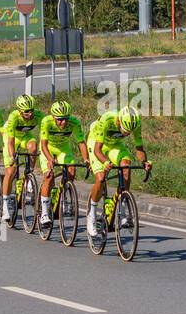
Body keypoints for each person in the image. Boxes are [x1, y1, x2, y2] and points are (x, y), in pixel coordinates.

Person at [85, 106, 151, 236]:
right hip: (97, 143)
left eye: (129, 132)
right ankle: (91, 214)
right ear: (119, 121)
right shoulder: (107, 119)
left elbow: (139, 148)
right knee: (101, 177)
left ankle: (123, 207)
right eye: (125, 131)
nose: (127, 134)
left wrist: (144, 163)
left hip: (115, 145)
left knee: (126, 166)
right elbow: (98, 150)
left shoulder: (135, 123)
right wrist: (105, 162)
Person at [37, 101, 88, 227]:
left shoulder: (74, 122)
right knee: (48, 177)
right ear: (54, 117)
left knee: (71, 171)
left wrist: (86, 159)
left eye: (66, 119)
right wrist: (49, 159)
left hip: (63, 149)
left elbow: (81, 142)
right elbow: (43, 145)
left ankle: (62, 198)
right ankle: (44, 212)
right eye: (60, 120)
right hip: (48, 148)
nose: (63, 122)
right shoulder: (46, 121)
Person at [0, 93, 41, 221]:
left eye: (32, 110)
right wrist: (12, 156)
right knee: (11, 170)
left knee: (33, 147)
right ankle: (5, 205)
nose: (30, 114)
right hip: (11, 137)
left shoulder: (38, 115)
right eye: (26, 112)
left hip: (24, 136)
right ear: (19, 111)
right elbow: (11, 141)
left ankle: (29, 175)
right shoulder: (14, 117)